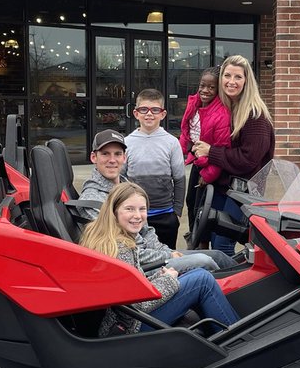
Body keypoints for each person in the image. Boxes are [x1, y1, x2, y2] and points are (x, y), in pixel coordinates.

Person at [80, 182, 241, 337]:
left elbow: (135, 289)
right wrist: (168, 280)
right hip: (130, 327)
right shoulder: (120, 248)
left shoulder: (111, 239)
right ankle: (236, 338)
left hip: (127, 320)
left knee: (197, 274)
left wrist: (161, 277)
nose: (137, 216)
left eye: (142, 209)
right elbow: (137, 305)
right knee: (202, 280)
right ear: (114, 211)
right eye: (129, 209)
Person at [77, 129, 235, 272]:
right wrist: (166, 256)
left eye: (117, 154)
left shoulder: (125, 186)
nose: (112, 160)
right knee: (204, 261)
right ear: (93, 157)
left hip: (153, 256)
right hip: (138, 268)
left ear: (124, 158)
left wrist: (167, 251)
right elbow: (120, 252)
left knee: (218, 255)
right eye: (105, 154)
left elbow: (146, 231)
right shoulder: (93, 200)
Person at [190, 54, 275, 253]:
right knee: (209, 236)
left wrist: (211, 151)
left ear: (247, 81)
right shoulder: (227, 109)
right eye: (227, 75)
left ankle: (228, 274)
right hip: (223, 187)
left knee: (223, 242)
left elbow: (248, 159)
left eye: (238, 77)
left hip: (243, 191)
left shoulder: (255, 115)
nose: (231, 81)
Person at [124, 89, 185, 249]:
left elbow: (179, 179)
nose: (149, 114)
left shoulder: (172, 143)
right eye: (144, 109)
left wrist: (177, 212)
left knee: (168, 258)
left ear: (163, 114)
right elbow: (121, 180)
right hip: (135, 216)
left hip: (165, 214)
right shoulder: (127, 143)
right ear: (136, 113)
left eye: (155, 110)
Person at [178, 66, 232, 220]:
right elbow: (186, 131)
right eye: (202, 85)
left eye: (211, 87)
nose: (205, 90)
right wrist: (177, 152)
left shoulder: (221, 114)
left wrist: (208, 175)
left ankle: (199, 235)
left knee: (201, 207)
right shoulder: (194, 103)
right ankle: (192, 232)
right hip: (197, 160)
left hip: (210, 165)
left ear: (218, 90)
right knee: (190, 201)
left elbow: (221, 148)